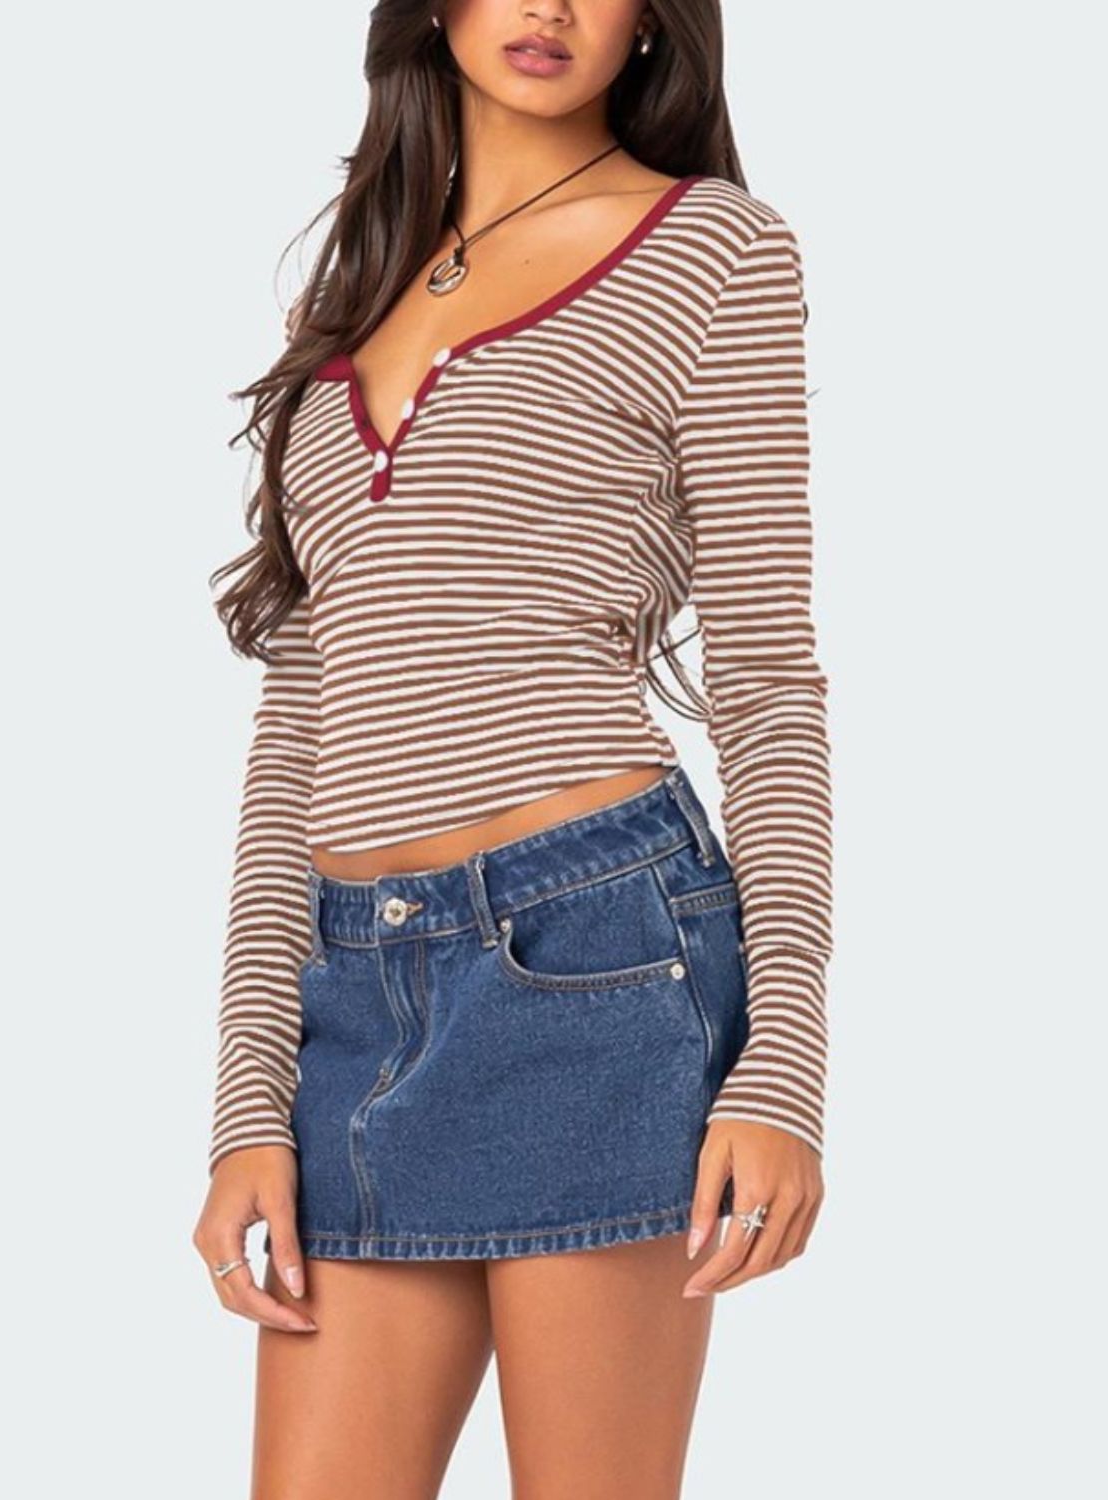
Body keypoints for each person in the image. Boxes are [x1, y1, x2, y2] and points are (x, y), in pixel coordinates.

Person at [193, 2, 833, 1495]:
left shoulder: (715, 249)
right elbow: (296, 726)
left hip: (597, 952)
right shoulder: (356, 289)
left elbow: (762, 683)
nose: (548, 6)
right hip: (356, 987)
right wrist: (248, 1101)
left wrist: (783, 1070)